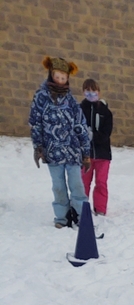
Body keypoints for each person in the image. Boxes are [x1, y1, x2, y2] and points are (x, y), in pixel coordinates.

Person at [29, 56, 92, 228]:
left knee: (77, 185)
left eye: (64, 78)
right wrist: (38, 147)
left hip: (72, 152)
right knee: (58, 187)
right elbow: (35, 123)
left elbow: (80, 125)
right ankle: (62, 218)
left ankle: (81, 217)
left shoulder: (70, 100)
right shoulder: (41, 97)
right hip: (52, 151)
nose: (60, 81)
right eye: (57, 77)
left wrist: (86, 152)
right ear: (51, 75)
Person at [80, 78, 113, 217]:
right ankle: (82, 207)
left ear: (98, 92)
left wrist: (93, 136)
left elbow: (106, 133)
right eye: (88, 91)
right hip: (85, 155)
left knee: (101, 182)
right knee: (83, 182)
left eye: (93, 91)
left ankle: (100, 208)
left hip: (102, 155)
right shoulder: (80, 110)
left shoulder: (106, 112)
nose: (91, 94)